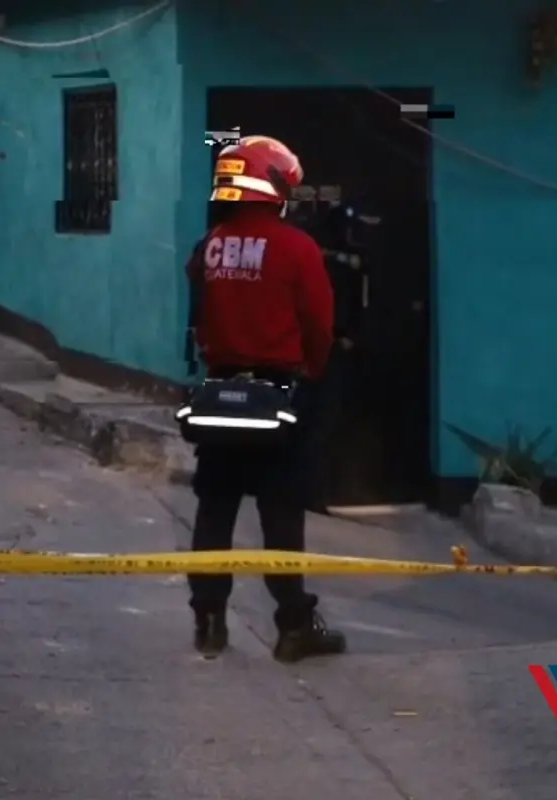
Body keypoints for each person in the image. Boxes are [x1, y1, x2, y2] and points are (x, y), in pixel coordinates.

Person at [185, 135, 348, 663]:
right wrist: (313, 373)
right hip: (279, 396)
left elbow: (198, 313)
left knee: (215, 509)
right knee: (281, 515)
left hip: (220, 393)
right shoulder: (297, 248)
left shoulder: (210, 245)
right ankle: (294, 627)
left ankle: (209, 620)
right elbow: (319, 326)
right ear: (273, 184)